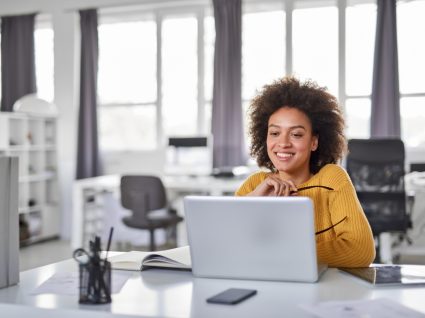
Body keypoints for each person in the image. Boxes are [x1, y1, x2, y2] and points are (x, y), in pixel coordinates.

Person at [235, 76, 375, 268]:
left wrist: (281, 254)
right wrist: (253, 202)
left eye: (296, 134)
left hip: (323, 293)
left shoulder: (332, 179)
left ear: (314, 142)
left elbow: (360, 250)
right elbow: (229, 249)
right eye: (275, 133)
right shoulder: (254, 185)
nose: (283, 143)